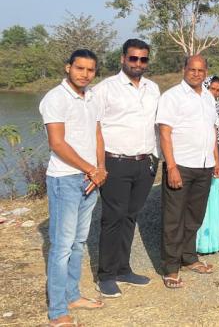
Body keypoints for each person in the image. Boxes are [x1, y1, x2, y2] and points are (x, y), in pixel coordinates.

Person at [40, 49, 107, 326]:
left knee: (79, 242)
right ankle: (57, 311)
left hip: (90, 179)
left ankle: (72, 294)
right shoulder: (55, 98)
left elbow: (97, 134)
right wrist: (90, 169)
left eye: (90, 70)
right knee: (62, 247)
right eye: (80, 68)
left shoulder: (92, 97)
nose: (85, 74)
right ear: (68, 68)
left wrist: (100, 169)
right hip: (65, 179)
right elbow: (57, 143)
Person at [93, 38, 160, 297]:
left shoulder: (152, 88)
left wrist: (157, 158)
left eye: (143, 59)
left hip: (144, 163)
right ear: (123, 58)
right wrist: (98, 165)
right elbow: (94, 126)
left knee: (130, 216)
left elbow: (157, 125)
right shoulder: (105, 89)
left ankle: (123, 268)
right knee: (113, 218)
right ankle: (106, 275)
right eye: (133, 58)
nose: (138, 63)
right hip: (115, 162)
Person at [156, 55, 219, 289]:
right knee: (174, 218)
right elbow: (165, 132)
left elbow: (211, 130)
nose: (196, 73)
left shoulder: (207, 97)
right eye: (192, 69)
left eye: (201, 70)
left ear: (206, 72)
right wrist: (171, 166)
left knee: (195, 215)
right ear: (184, 69)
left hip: (203, 165)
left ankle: (189, 257)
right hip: (181, 165)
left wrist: (215, 159)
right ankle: (171, 267)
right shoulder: (172, 97)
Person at [196, 76, 219, 255]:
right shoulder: (197, 107)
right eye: (212, 88)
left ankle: (216, 239)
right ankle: (202, 242)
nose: (215, 93)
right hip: (201, 159)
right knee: (203, 201)